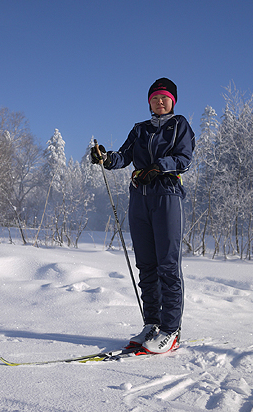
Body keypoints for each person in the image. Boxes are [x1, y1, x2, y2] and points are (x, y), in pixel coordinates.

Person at [91, 77, 195, 354]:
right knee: (146, 265)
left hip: (167, 196)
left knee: (168, 266)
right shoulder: (139, 129)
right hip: (139, 199)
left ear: (172, 101)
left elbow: (184, 158)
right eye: (155, 98)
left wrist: (159, 167)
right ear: (149, 101)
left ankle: (171, 330)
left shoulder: (179, 125)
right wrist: (106, 158)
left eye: (164, 98)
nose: (159, 102)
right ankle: (152, 324)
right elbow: (123, 156)